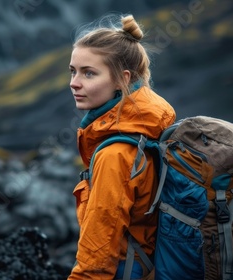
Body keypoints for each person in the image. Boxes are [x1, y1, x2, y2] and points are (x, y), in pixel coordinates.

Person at [67, 14, 176, 279]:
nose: (74, 83)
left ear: (122, 79)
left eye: (89, 73)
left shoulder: (115, 155)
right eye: (73, 71)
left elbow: (96, 258)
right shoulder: (148, 131)